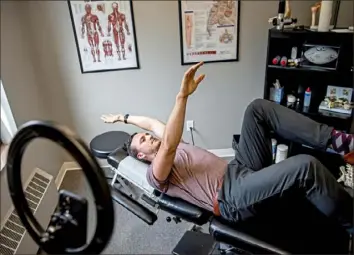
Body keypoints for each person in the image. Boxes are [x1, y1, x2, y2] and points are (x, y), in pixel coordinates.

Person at [101, 62, 353, 234]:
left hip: (238, 169)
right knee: (305, 166)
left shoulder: (172, 143)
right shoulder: (157, 173)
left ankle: (339, 142)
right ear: (142, 156)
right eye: (142, 141)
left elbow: (152, 123)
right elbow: (167, 145)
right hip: (230, 198)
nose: (148, 136)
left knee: (257, 109)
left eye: (146, 135)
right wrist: (182, 97)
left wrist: (123, 117)